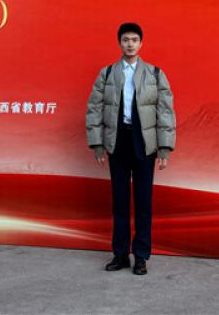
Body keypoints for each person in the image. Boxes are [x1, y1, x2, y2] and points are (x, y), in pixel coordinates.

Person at [85, 22, 176, 275]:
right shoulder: (107, 74)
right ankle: (121, 254)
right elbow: (94, 108)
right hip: (118, 142)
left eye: (134, 40)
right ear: (119, 43)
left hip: (144, 142)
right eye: (125, 40)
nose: (130, 44)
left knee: (144, 202)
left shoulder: (155, 74)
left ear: (141, 43)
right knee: (120, 202)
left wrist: (164, 148)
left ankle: (142, 256)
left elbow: (165, 111)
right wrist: (97, 143)